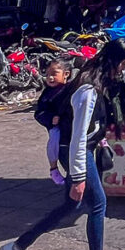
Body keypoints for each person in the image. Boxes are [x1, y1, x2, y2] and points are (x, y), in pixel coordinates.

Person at [0, 38, 125, 250]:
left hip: (80, 148)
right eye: (123, 65)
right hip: (76, 150)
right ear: (113, 62)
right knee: (97, 203)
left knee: (72, 205)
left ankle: (16, 249)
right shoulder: (88, 90)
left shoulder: (102, 75)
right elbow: (78, 137)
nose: (124, 70)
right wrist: (78, 177)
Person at [35, 58, 75, 186]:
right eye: (47, 75)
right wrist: (51, 118)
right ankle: (53, 168)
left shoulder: (72, 89)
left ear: (66, 74)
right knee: (54, 139)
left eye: (54, 74)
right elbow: (39, 112)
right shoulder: (47, 93)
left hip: (72, 128)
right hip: (57, 128)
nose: (50, 78)